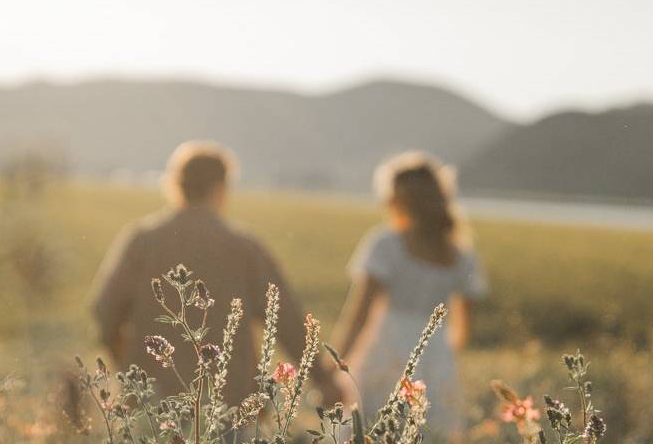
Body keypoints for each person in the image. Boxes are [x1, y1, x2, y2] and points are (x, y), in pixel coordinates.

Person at [90, 141, 340, 407]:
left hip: (155, 410)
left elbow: (104, 314)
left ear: (175, 183)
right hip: (230, 405)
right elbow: (286, 320)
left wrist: (132, 373)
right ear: (221, 187)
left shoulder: (141, 241)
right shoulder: (244, 247)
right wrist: (323, 379)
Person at [332, 151, 488, 440]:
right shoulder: (462, 256)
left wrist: (334, 366)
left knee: (368, 429)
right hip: (436, 357)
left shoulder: (385, 244)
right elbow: (463, 330)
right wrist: (440, 356)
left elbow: (359, 316)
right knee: (426, 432)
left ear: (396, 201)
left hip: (384, 348)